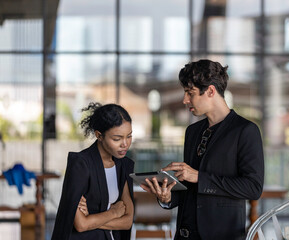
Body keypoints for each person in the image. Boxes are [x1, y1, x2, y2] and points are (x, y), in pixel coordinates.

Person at [141, 59, 264, 240]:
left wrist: (198, 176)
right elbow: (190, 188)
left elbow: (253, 188)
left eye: (190, 93)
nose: (185, 100)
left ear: (211, 91)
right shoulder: (192, 132)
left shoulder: (245, 131)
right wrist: (167, 197)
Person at [52, 103, 135, 240]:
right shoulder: (81, 164)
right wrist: (114, 212)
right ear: (99, 135)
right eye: (117, 138)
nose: (125, 144)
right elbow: (81, 225)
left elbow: (127, 222)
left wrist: (92, 219)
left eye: (129, 136)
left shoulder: (124, 165)